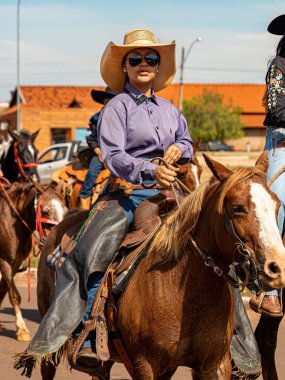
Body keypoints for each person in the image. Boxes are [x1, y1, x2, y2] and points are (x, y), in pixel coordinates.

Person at [15, 28, 193, 376]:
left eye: (150, 59)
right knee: (91, 250)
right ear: (125, 67)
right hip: (127, 193)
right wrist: (148, 170)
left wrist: (180, 148)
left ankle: (234, 342)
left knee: (219, 239)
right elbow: (113, 154)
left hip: (173, 193)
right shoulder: (116, 107)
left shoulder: (171, 110)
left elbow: (185, 139)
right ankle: (86, 331)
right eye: (136, 59)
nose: (144, 64)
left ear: (158, 67)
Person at [249, 14, 285, 318]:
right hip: (282, 145)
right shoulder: (279, 66)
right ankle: (269, 288)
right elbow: (277, 108)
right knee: (277, 205)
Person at [78, 87, 116, 208]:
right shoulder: (95, 118)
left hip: (117, 153)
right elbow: (90, 136)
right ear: (103, 103)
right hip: (99, 152)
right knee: (92, 172)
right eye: (106, 102)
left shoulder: (123, 118)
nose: (109, 105)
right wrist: (98, 151)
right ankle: (85, 196)